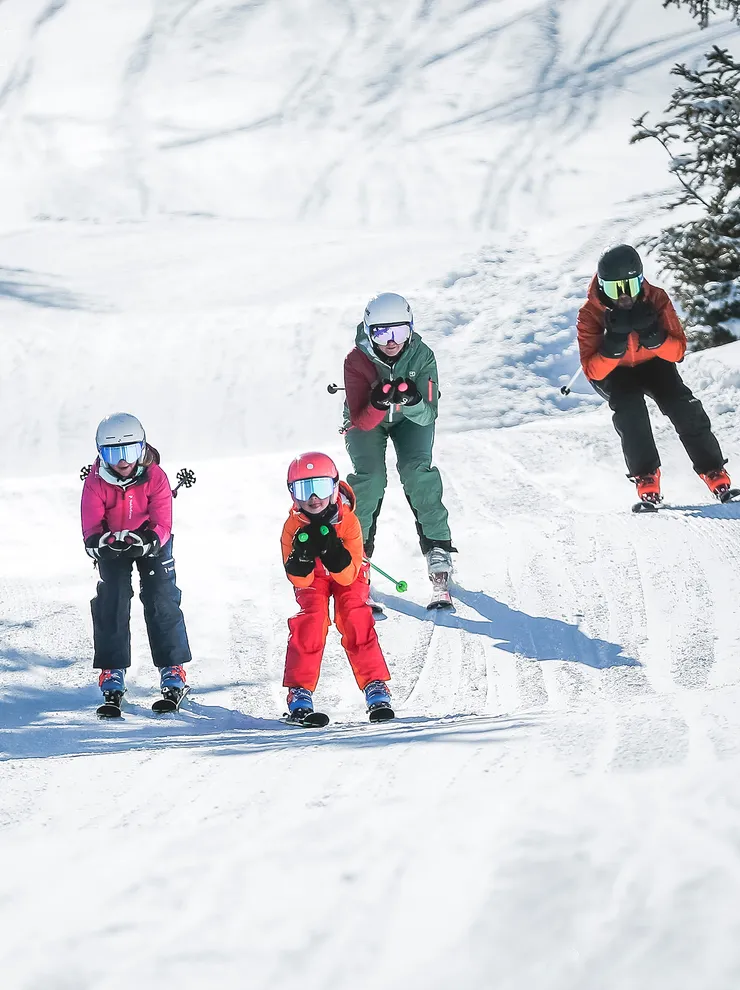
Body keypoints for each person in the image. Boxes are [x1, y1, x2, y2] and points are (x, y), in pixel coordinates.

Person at [577, 244, 733, 506]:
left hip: (654, 363)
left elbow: (678, 351)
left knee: (682, 405)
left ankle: (713, 470)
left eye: (631, 287)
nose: (625, 297)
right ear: (603, 286)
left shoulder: (656, 298)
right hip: (615, 372)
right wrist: (613, 345)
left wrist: (655, 338)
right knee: (630, 410)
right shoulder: (590, 314)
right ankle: (646, 476)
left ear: (641, 280)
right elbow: (592, 370)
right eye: (616, 289)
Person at [343, 292, 455, 598]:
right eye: (381, 332)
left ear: (410, 328)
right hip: (369, 419)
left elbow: (429, 414)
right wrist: (379, 402)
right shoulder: (357, 360)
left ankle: (438, 549)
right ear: (368, 331)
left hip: (411, 419)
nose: (391, 341)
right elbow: (361, 420)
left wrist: (413, 400)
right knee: (369, 479)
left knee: (417, 472)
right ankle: (357, 557)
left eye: (400, 331)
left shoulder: (422, 355)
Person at [81, 412, 191, 705]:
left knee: (161, 595)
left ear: (142, 448)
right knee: (111, 596)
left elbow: (163, 521)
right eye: (112, 453)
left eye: (129, 451)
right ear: (101, 453)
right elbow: (90, 527)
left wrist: (150, 540)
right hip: (113, 542)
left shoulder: (155, 476)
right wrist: (99, 543)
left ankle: (172, 667)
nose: (122, 461)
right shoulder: (95, 481)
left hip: (150, 539)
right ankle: (112, 668)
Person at [281, 451, 393, 722]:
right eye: (304, 490)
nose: (313, 499)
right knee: (312, 618)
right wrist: (302, 559)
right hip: (314, 577)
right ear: (293, 494)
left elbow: (347, 576)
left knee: (354, 614)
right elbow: (299, 581)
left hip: (348, 572)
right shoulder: (292, 527)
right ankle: (299, 691)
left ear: (333, 487)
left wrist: (334, 553)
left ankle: (375, 684)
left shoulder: (349, 521)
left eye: (319, 488)